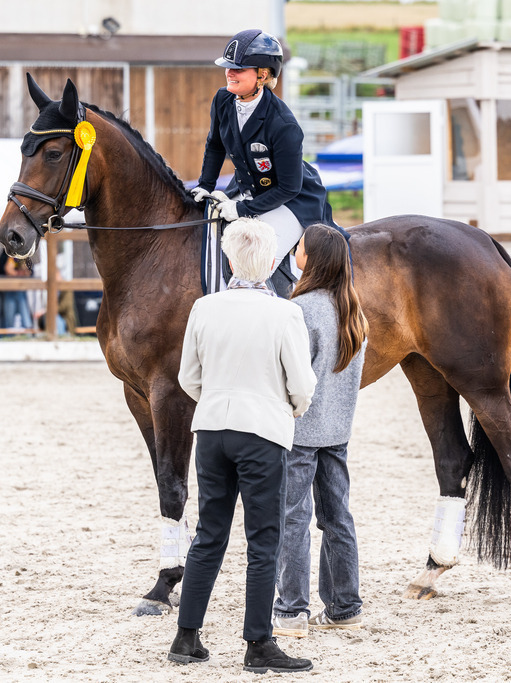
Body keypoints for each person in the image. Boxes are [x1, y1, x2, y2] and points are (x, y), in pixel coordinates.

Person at [169, 217, 318, 674]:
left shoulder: (204, 307)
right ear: (272, 263)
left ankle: (186, 636)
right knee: (263, 539)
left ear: (230, 260)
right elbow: (303, 383)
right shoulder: (285, 313)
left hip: (212, 429)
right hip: (263, 431)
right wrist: (289, 408)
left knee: (209, 535)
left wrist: (216, 400)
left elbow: (187, 378)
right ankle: (257, 643)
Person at [189, 29, 343, 294]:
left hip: (292, 202)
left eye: (239, 69)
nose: (229, 73)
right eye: (228, 68)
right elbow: (215, 145)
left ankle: (274, 309)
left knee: (253, 260)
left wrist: (242, 210)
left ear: (262, 75)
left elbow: (288, 189)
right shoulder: (223, 99)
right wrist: (205, 184)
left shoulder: (283, 125)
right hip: (250, 191)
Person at [272, 223, 368, 639]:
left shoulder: (301, 310)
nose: (295, 252)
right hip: (339, 428)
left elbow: (292, 376)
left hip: (300, 430)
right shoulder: (353, 310)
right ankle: (344, 605)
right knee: (337, 518)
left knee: (293, 519)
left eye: (300, 248)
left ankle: (292, 610)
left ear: (311, 259)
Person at [0, 252, 34, 335]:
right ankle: (10, 336)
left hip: (21, 290)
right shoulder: (7, 255)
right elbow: (8, 269)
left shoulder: (24, 255)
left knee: (24, 316)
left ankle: (27, 335)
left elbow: (28, 271)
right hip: (9, 289)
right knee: (9, 318)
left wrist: (17, 272)